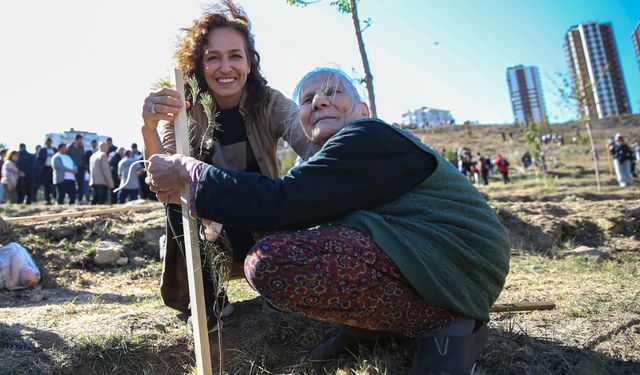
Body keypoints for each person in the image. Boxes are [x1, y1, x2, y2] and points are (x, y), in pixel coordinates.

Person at [147, 68, 510, 373]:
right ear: (302, 121)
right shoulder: (328, 162)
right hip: (424, 259)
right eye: (307, 100)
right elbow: (276, 206)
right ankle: (372, 326)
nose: (318, 101)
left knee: (272, 262)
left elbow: (281, 203)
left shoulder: (370, 135)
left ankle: (446, 322)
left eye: (333, 92)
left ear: (363, 110)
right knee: (268, 228)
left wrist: (188, 169)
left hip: (458, 265)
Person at [140, 0, 315, 330]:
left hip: (264, 225)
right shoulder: (183, 111)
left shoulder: (270, 103)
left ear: (249, 63)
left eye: (235, 55)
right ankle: (207, 305)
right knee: (180, 200)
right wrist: (148, 127)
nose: (225, 67)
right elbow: (163, 184)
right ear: (199, 65)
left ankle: (276, 283)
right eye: (213, 57)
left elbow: (311, 144)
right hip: (210, 233)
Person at [67, 134, 86, 203]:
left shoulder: (82, 147)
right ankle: (72, 199)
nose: (81, 141)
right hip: (72, 169)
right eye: (80, 140)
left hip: (81, 168)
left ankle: (80, 199)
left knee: (81, 184)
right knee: (72, 185)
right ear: (76, 140)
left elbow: (83, 157)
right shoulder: (69, 147)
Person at [37, 138, 57, 205]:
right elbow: (38, 159)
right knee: (46, 185)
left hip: (53, 169)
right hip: (45, 169)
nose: (48, 143)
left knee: (54, 184)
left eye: (49, 142)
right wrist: (46, 156)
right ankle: (47, 199)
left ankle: (55, 198)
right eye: (47, 142)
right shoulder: (42, 150)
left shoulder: (54, 150)